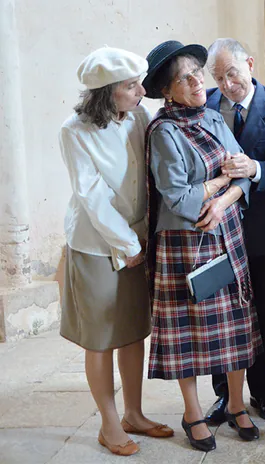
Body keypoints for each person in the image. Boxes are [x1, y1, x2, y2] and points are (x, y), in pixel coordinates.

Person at [142, 40, 262, 450]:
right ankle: (193, 412)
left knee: (234, 324)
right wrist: (220, 182)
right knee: (187, 333)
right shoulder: (163, 132)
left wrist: (225, 194)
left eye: (198, 72)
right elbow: (179, 198)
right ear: (167, 91)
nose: (198, 82)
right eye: (185, 78)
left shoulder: (213, 116)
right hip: (185, 243)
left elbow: (244, 172)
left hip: (227, 233)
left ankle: (235, 403)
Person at [58, 46, 174, 457]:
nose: (142, 91)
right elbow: (92, 197)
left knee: (131, 331)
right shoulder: (74, 130)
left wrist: (142, 240)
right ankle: (109, 425)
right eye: (131, 86)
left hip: (138, 240)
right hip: (96, 246)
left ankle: (134, 414)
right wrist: (127, 245)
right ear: (106, 93)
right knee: (101, 338)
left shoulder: (138, 115)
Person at [204, 38, 265, 424]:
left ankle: (261, 392)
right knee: (217, 312)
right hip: (216, 230)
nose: (227, 84)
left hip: (259, 227)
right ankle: (223, 395)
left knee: (260, 311)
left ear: (250, 63)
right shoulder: (206, 103)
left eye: (233, 73)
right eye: (219, 77)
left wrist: (254, 170)